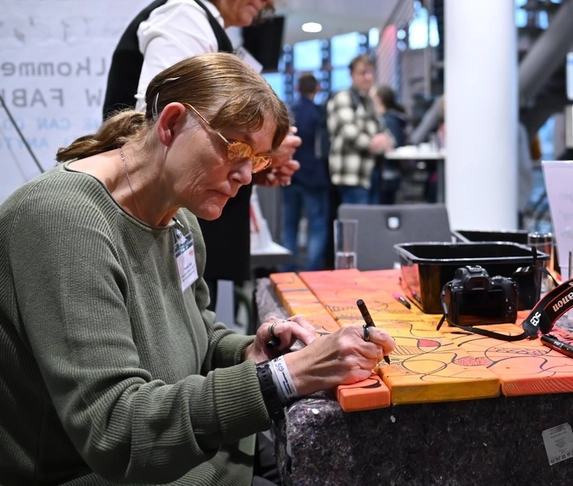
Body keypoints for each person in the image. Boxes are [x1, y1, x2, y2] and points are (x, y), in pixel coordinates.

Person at [0, 53, 397, 485]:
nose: (246, 175)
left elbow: (196, 337)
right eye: (237, 148)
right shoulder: (63, 221)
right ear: (170, 124)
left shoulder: (178, 217)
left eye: (259, 160)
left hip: (212, 467)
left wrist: (252, 352)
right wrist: (284, 377)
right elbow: (118, 433)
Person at [102, 0, 302, 308]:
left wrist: (250, 161)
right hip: (146, 224)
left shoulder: (205, 26)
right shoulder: (184, 18)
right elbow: (157, 123)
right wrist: (261, 150)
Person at [327, 55, 393, 205]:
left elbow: (384, 131)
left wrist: (385, 141)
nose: (368, 77)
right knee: (355, 224)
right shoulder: (343, 97)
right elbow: (349, 132)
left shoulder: (369, 100)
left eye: (370, 72)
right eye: (362, 73)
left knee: (371, 223)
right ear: (352, 75)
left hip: (371, 172)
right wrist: (374, 144)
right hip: (352, 174)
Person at [282, 74, 331, 271]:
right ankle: (312, 272)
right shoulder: (318, 113)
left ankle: (286, 273)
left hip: (289, 174)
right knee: (317, 227)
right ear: (317, 88)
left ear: (297, 88)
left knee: (290, 226)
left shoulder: (290, 111)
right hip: (313, 177)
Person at [369, 84, 408, 205]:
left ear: (379, 99)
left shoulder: (389, 119)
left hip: (389, 173)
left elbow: (394, 143)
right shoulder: (384, 118)